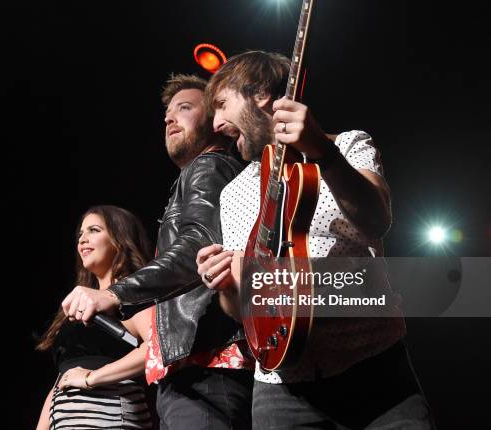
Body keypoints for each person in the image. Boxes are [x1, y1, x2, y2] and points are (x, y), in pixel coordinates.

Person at [197, 50, 434, 429]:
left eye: (222, 104)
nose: (216, 122)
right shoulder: (232, 193)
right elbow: (244, 307)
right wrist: (224, 285)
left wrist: (324, 153)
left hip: (376, 374)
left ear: (259, 93)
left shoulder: (350, 144)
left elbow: (377, 221)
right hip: (281, 391)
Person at [61, 75, 254, 429]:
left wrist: (116, 294)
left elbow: (199, 243)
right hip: (192, 372)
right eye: (167, 112)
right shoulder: (202, 174)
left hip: (206, 369)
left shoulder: (208, 166)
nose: (169, 118)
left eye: (184, 108)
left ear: (216, 120)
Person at [36, 205, 154, 430]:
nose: (82, 239)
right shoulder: (80, 304)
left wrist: (92, 378)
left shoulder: (131, 296)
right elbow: (65, 377)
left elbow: (157, 348)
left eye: (94, 230)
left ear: (120, 240)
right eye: (80, 233)